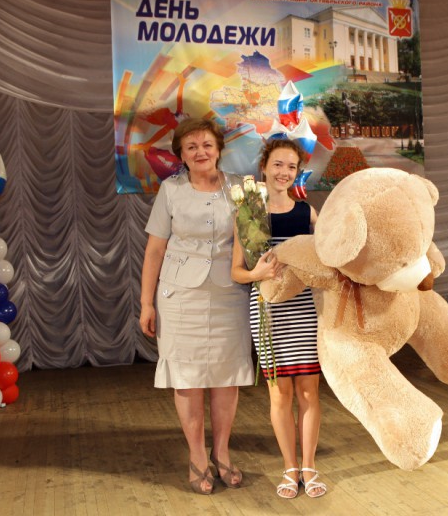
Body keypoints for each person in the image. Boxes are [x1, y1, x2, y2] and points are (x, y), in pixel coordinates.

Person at [140, 118, 253, 495]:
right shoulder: (170, 190)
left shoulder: (241, 188)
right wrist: (146, 303)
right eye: (191, 147)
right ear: (181, 155)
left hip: (229, 294)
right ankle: (197, 456)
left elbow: (256, 239)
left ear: (219, 149)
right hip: (179, 298)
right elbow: (154, 250)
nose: (200, 152)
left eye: (206, 144)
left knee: (226, 376)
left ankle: (222, 452)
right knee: (187, 378)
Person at [231, 139, 328, 499]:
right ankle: (290, 468)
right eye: (277, 165)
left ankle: (310, 467)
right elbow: (237, 272)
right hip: (268, 314)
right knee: (280, 395)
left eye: (291, 167)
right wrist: (257, 274)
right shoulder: (247, 215)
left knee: (309, 392)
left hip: (304, 312)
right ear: (264, 167)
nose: (284, 172)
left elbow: (329, 256)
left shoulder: (307, 213)